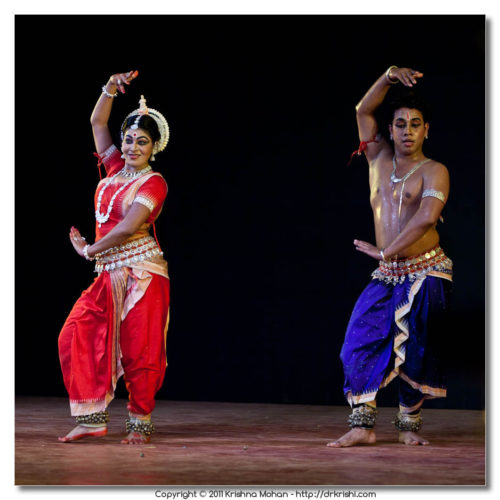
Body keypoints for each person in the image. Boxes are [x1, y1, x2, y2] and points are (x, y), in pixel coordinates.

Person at [327, 66, 452, 447]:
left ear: (426, 130)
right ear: (392, 129)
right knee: (357, 343)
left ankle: (408, 429)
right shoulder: (377, 159)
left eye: (416, 124)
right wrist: (387, 77)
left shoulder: (435, 171)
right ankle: (362, 426)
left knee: (418, 348)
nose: (407, 131)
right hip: (387, 273)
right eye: (400, 124)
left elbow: (427, 218)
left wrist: (386, 251)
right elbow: (363, 111)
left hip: (427, 269)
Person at [58, 70, 171, 444]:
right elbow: (97, 120)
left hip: (142, 274)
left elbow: (126, 229)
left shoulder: (153, 182)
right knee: (76, 333)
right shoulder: (113, 170)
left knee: (141, 349)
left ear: (154, 147)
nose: (132, 147)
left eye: (141, 142)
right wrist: (109, 87)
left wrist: (88, 250)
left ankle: (140, 423)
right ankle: (91, 418)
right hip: (108, 273)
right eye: (128, 140)